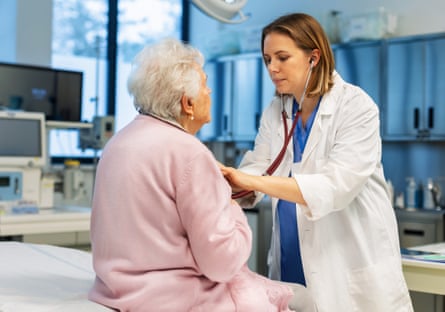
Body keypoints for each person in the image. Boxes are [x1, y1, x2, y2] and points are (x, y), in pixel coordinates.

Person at [88, 38, 314, 312]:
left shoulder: (118, 143)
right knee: (303, 299)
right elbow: (223, 264)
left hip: (118, 292)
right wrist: (231, 209)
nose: (210, 91)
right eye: (205, 84)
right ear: (188, 104)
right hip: (176, 299)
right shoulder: (189, 153)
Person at [220, 13, 414, 312]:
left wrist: (249, 180)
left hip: (346, 267)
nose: (272, 68)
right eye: (267, 59)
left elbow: (335, 186)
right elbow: (258, 166)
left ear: (314, 57)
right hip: (291, 261)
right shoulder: (277, 111)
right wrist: (226, 184)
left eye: (283, 57)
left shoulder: (355, 106)